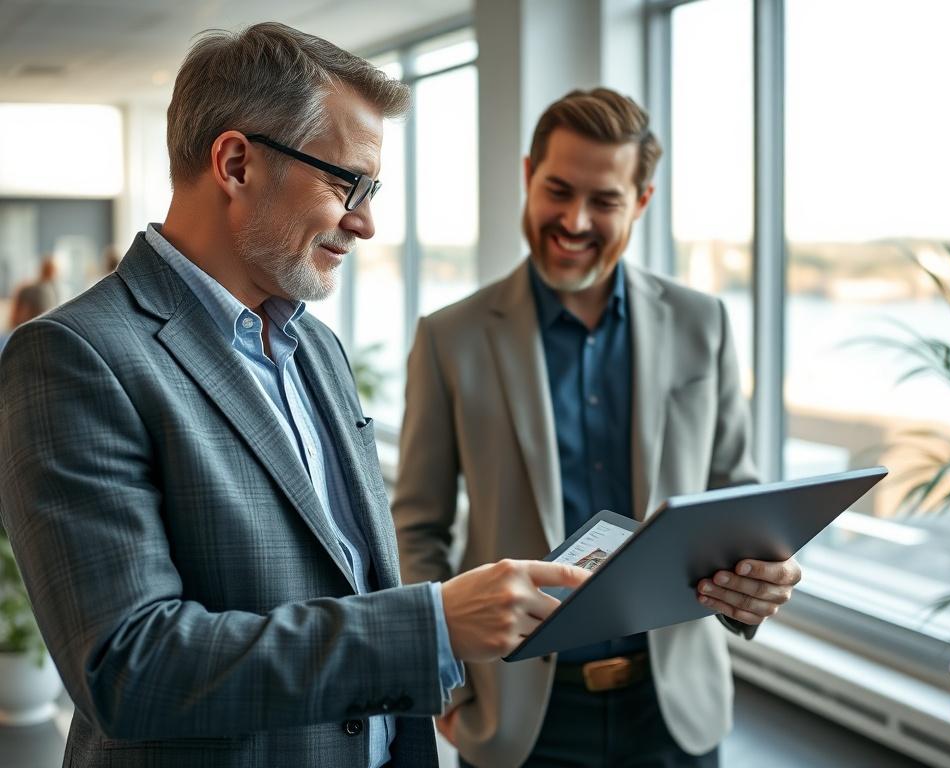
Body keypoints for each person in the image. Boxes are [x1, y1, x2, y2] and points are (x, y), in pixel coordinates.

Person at [0, 23, 587, 768]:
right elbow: (129, 666)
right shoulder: (76, 356)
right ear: (237, 163)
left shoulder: (316, 348)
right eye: (349, 183)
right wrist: (432, 624)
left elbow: (349, 578)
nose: (367, 221)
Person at [392, 87, 803, 768]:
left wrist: (764, 574)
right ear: (528, 176)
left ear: (641, 201)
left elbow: (736, 501)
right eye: (557, 190)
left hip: (675, 712)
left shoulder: (704, 324)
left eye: (605, 200)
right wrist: (447, 691)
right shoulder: (450, 338)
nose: (574, 220)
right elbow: (417, 528)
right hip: (517, 719)